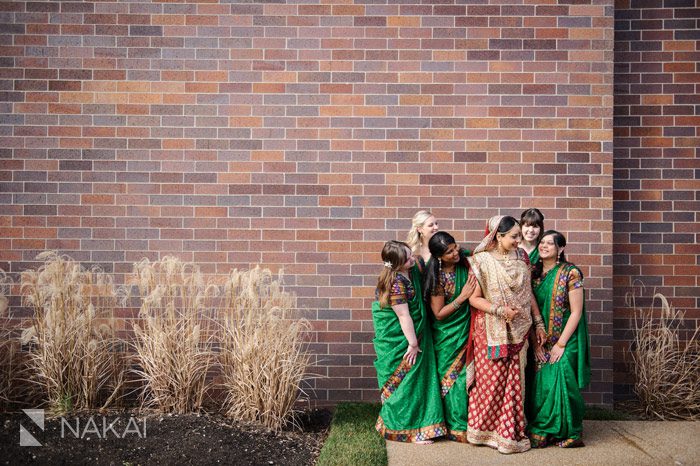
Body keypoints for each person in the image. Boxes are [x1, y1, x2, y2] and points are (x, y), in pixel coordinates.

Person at [466, 215, 546, 454]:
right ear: (497, 236)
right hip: (490, 330)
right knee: (491, 384)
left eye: (519, 236)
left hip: (520, 329)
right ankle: (483, 431)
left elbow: (528, 291)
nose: (518, 240)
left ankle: (509, 433)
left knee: (515, 383)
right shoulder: (481, 260)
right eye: (513, 236)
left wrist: (538, 322)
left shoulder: (521, 256)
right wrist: (500, 310)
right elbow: (474, 298)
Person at [372, 240, 446, 443]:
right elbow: (404, 316)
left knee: (416, 383)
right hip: (403, 341)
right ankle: (406, 430)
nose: (413, 258)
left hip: (413, 335)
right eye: (408, 257)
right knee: (406, 385)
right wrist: (413, 344)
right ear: (397, 264)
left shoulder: (409, 273)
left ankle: (420, 426)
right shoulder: (395, 283)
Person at [526, 230, 591, 448]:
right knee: (542, 385)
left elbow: (576, 312)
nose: (543, 246)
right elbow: (529, 311)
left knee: (563, 378)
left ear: (560, 249)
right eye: (541, 242)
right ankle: (546, 429)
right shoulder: (533, 274)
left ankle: (572, 433)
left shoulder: (570, 273)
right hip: (540, 339)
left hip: (566, 338)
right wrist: (536, 342)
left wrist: (561, 344)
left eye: (549, 243)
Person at [422, 232, 478, 442]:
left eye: (455, 247)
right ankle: (455, 426)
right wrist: (463, 297)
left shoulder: (464, 259)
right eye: (449, 252)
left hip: (467, 329)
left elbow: (481, 253)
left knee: (468, 377)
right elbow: (438, 314)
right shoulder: (437, 279)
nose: (456, 253)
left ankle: (466, 422)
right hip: (447, 335)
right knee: (454, 379)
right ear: (439, 257)